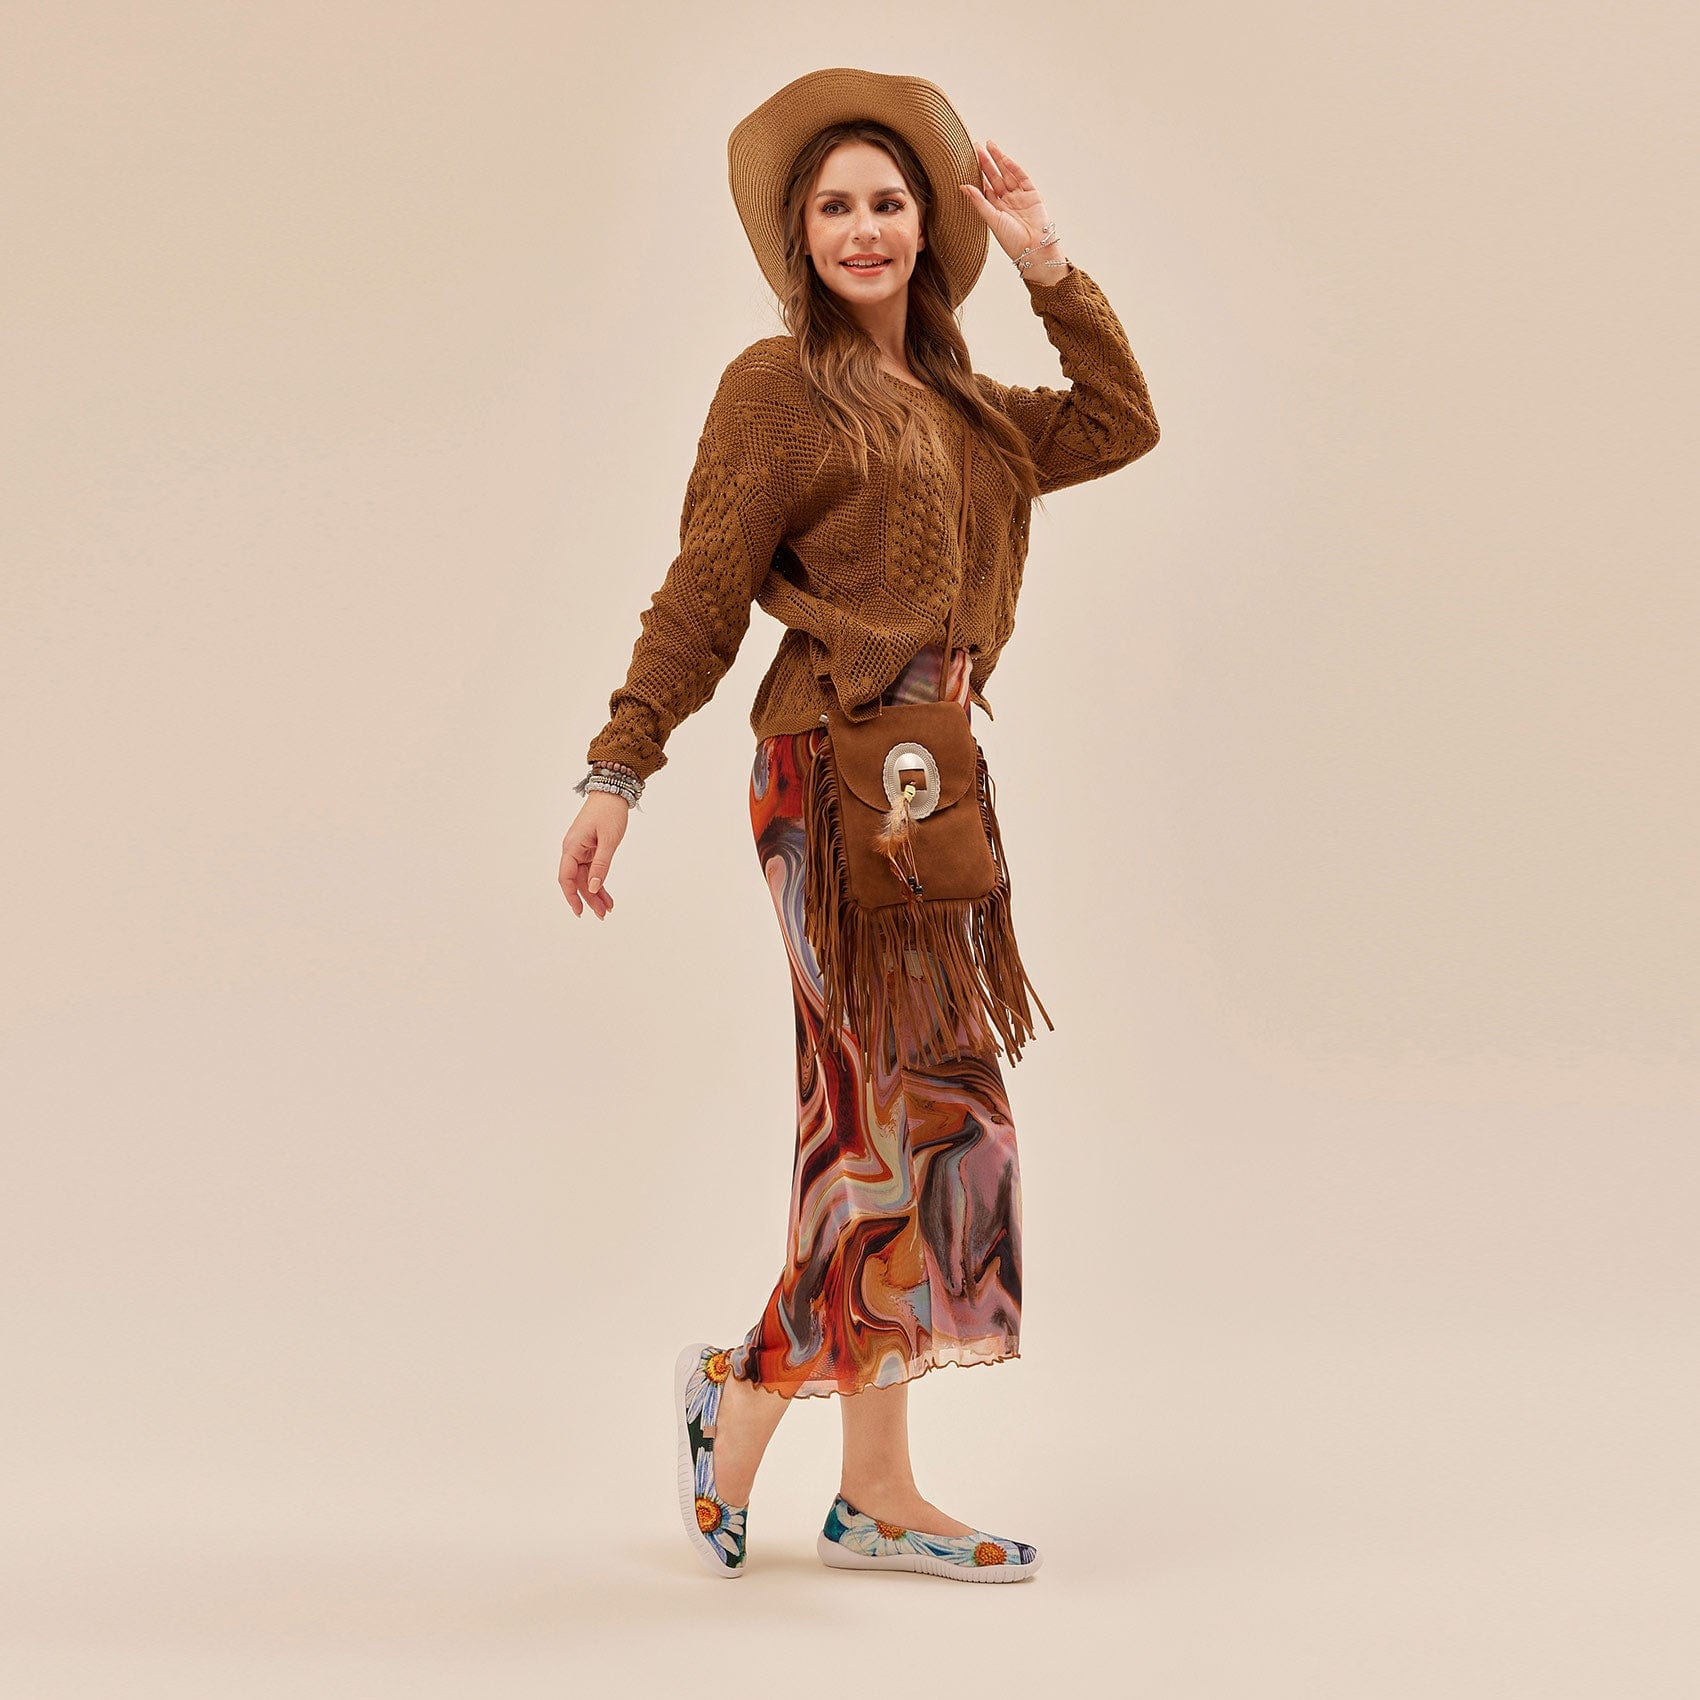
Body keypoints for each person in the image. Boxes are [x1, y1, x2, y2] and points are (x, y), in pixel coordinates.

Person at [559, 68, 1160, 1582]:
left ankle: (875, 1489)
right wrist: (619, 768)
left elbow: (1121, 420)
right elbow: (704, 590)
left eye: (889, 202)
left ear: (926, 228)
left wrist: (1045, 260)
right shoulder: (776, 390)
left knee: (926, 1124)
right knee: (885, 1126)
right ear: (800, 235)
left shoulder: (970, 408)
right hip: (827, 777)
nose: (864, 228)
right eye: (834, 206)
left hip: (932, 780)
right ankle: (748, 1390)